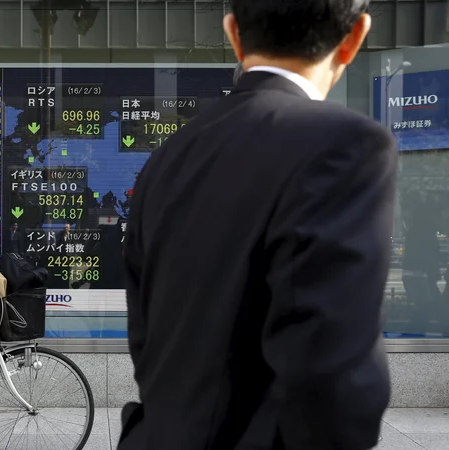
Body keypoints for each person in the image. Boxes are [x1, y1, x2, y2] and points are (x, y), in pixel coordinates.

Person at [120, 1, 397, 449]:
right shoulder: (346, 143)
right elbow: (335, 378)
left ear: (233, 34)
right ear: (355, 38)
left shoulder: (170, 154)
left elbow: (147, 339)